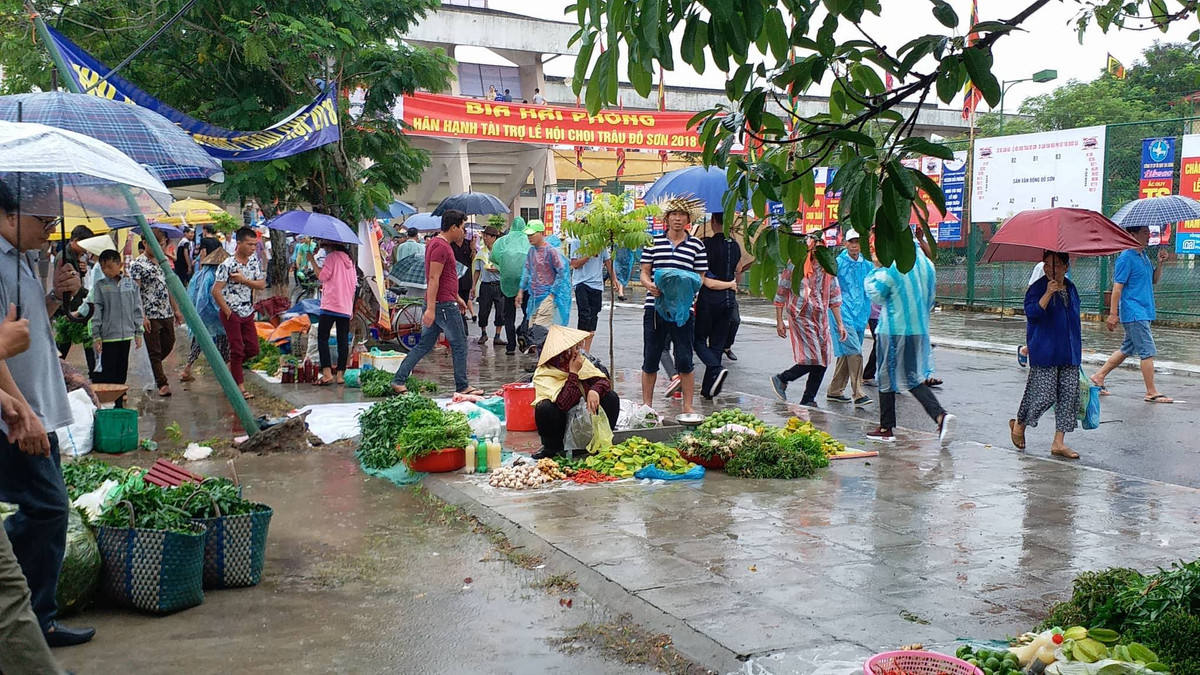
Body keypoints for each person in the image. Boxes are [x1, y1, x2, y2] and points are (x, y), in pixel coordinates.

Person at [0, 178, 94, 648]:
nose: (50, 231)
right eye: (44, 221)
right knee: (49, 509)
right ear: (9, 214)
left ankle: (39, 620)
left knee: (47, 509)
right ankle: (26, 620)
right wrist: (22, 413)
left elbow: (24, 332)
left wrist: (56, 295)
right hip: (18, 416)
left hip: (37, 408)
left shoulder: (20, 260)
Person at [864, 242, 955, 446]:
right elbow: (931, 299)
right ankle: (940, 417)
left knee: (886, 376)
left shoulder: (895, 264)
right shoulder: (926, 264)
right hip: (918, 330)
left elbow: (876, 293)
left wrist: (876, 268)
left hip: (894, 328)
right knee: (911, 378)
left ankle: (886, 428)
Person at [390, 210, 482, 396]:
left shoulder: (436, 243)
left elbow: (445, 278)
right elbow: (433, 278)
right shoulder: (440, 246)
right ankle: (462, 385)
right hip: (443, 305)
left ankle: (399, 380)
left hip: (444, 301)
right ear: (454, 227)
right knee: (459, 344)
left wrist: (457, 297)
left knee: (424, 344)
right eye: (462, 228)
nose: (464, 232)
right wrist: (431, 308)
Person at [640, 198, 709, 415]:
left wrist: (687, 290)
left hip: (683, 310)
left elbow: (700, 278)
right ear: (666, 218)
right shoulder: (653, 242)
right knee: (650, 357)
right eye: (673, 214)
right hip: (654, 307)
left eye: (682, 215)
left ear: (689, 219)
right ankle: (647, 406)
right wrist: (650, 285)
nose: (677, 219)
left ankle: (687, 406)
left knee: (684, 358)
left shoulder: (697, 245)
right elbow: (643, 272)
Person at [1010, 251, 1082, 459]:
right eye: (1048, 265)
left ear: (1066, 267)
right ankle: (1020, 423)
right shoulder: (1037, 288)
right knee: (1044, 395)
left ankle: (1059, 442)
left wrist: (1077, 350)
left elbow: (1074, 321)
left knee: (1069, 397)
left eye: (1057, 265)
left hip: (1069, 352)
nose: (1052, 269)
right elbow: (1032, 315)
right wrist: (1047, 294)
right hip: (1045, 350)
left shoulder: (1071, 288)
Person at [1090, 226, 1172, 403]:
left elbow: (1154, 280)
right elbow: (1117, 288)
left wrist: (1160, 263)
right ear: (1131, 235)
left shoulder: (1143, 257)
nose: (1148, 235)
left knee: (1127, 348)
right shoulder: (1126, 258)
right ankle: (1151, 391)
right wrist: (1113, 314)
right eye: (1144, 232)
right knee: (1147, 351)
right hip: (1135, 312)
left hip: (1145, 310)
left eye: (1148, 232)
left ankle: (1099, 376)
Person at [769, 236, 846, 408]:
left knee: (824, 358)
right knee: (814, 357)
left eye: (822, 249)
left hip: (820, 316)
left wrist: (840, 323)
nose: (818, 252)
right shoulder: (796, 264)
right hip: (800, 315)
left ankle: (808, 399)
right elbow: (782, 289)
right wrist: (779, 319)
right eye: (815, 248)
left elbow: (834, 295)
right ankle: (782, 378)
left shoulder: (828, 268)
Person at [531, 325, 619, 459]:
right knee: (544, 407)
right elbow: (563, 404)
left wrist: (594, 390)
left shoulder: (581, 361)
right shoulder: (544, 373)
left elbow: (604, 381)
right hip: (561, 421)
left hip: (584, 419)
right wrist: (573, 373)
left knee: (611, 397)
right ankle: (552, 448)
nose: (574, 351)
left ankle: (600, 442)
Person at [212, 227, 266, 399]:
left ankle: (229, 368)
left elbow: (261, 284)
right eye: (249, 244)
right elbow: (216, 291)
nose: (252, 248)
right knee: (236, 349)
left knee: (253, 348)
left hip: (247, 310)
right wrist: (227, 311)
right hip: (231, 312)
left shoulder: (253, 262)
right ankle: (240, 387)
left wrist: (244, 280)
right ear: (239, 243)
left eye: (255, 245)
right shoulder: (227, 265)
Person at [694, 213, 743, 399]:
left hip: (710, 300)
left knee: (697, 340)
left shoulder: (706, 245)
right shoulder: (736, 245)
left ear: (713, 222)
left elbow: (706, 281)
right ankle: (708, 390)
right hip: (729, 300)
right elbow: (738, 271)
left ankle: (715, 367)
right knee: (717, 344)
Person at [825, 229, 874, 407]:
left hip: (860, 313)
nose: (854, 245)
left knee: (849, 353)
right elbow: (830, 289)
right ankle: (858, 393)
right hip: (841, 313)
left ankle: (834, 390)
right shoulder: (837, 264)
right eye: (851, 242)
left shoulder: (866, 264)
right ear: (845, 243)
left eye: (857, 242)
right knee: (854, 350)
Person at [130, 230, 181, 397]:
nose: (160, 248)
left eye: (162, 245)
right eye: (156, 245)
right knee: (154, 349)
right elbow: (135, 291)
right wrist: (141, 315)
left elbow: (169, 287)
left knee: (169, 342)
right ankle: (162, 383)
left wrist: (176, 309)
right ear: (145, 243)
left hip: (165, 311)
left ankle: (153, 368)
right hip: (149, 312)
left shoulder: (163, 262)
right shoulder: (137, 264)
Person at [90, 249, 145, 386]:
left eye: (109, 266)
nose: (106, 270)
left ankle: (119, 401)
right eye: (103, 267)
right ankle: (109, 402)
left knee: (122, 371)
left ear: (119, 265)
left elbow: (137, 308)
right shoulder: (101, 286)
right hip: (108, 336)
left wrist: (138, 332)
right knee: (109, 372)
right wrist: (96, 335)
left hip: (126, 335)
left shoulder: (131, 285)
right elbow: (97, 311)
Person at [309, 240, 357, 385]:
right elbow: (354, 285)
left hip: (330, 305)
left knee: (322, 338)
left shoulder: (332, 257)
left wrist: (312, 260)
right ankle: (341, 375)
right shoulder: (350, 260)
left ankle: (327, 373)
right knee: (343, 340)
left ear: (330, 246)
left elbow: (322, 276)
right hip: (345, 306)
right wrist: (351, 307)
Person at [180, 248, 231, 382]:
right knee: (223, 340)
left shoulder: (200, 274)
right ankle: (225, 372)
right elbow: (208, 297)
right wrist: (223, 310)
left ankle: (187, 368)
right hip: (213, 314)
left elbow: (193, 295)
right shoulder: (214, 276)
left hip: (201, 315)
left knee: (199, 340)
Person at [568, 231, 620, 352]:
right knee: (584, 314)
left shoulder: (600, 243)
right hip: (581, 283)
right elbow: (575, 264)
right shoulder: (577, 242)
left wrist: (614, 279)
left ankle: (587, 350)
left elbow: (607, 261)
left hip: (596, 285)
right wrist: (589, 254)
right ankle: (579, 349)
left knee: (593, 316)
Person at [516, 220, 570, 332]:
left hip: (548, 296)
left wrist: (552, 294)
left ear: (541, 233)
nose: (529, 237)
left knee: (539, 330)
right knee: (532, 329)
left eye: (532, 234)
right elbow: (527, 271)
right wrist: (521, 290)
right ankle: (538, 349)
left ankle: (543, 349)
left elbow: (561, 273)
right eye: (528, 235)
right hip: (534, 296)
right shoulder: (531, 251)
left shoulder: (551, 251)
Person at [473, 225, 506, 346]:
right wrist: (473, 286)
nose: (485, 238)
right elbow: (477, 271)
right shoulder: (481, 253)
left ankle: (497, 336)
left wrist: (497, 270)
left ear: (494, 238)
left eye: (487, 236)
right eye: (484, 236)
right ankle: (483, 334)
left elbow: (507, 269)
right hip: (486, 285)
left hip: (499, 285)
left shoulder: (501, 253)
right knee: (483, 311)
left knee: (500, 311)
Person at [451, 227, 476, 331]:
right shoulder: (450, 244)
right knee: (456, 305)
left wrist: (473, 249)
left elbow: (473, 260)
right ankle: (462, 329)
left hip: (466, 278)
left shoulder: (468, 244)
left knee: (464, 304)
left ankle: (462, 327)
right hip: (454, 278)